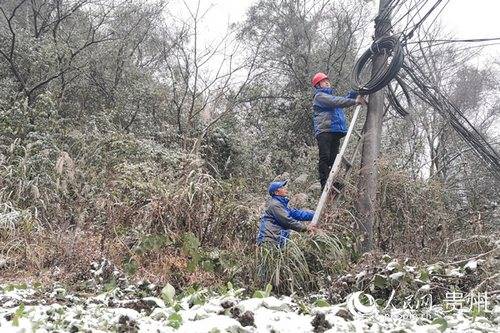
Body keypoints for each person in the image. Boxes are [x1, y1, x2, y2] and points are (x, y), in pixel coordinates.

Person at [311, 72, 366, 191]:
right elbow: (337, 101)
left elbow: (342, 100)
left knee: (334, 159)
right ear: (318, 85)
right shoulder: (319, 97)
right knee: (325, 157)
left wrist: (356, 91)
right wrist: (355, 101)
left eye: (327, 80)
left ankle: (332, 182)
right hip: (324, 131)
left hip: (335, 131)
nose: (327, 82)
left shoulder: (331, 98)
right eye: (323, 81)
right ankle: (324, 184)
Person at [256, 180, 315, 247]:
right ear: (276, 192)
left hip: (277, 240)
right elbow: (287, 221)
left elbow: (296, 214)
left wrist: (313, 214)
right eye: (282, 188)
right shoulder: (275, 205)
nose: (285, 189)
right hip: (269, 241)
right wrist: (305, 228)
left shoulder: (282, 204)